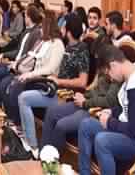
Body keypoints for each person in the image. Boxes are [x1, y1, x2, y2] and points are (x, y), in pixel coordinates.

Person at [17, 14, 89, 156]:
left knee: (24, 98)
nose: (60, 27)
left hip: (66, 95)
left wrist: (59, 81)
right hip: (55, 88)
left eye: (64, 25)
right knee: (23, 95)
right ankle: (29, 142)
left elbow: (82, 81)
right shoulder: (68, 46)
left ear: (68, 31)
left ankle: (33, 146)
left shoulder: (81, 50)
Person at [78, 45, 135, 175]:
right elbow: (127, 108)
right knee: (86, 124)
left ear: (113, 65)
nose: (111, 79)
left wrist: (109, 122)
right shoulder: (132, 73)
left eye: (108, 74)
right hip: (127, 130)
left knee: (102, 141)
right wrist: (112, 112)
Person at [41, 65, 120, 152]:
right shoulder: (103, 64)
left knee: (61, 125)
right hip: (86, 102)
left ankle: (52, 161)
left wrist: (85, 102)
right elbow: (94, 89)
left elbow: (109, 101)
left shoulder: (117, 73)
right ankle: (43, 155)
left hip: (95, 110)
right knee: (52, 111)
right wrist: (83, 95)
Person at [0, 6, 43, 106]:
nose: (24, 19)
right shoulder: (26, 31)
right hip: (16, 62)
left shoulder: (36, 33)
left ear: (29, 18)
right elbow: (18, 51)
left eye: (25, 16)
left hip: (21, 66)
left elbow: (29, 55)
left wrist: (13, 63)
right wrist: (3, 54)